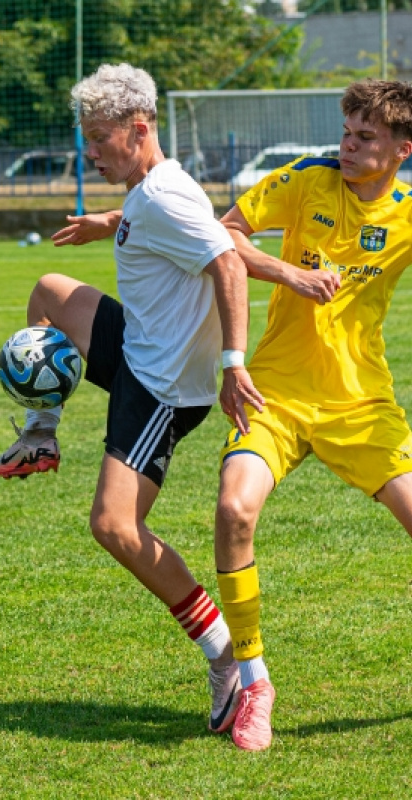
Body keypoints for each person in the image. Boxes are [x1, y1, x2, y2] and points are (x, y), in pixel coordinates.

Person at [0, 63, 264, 734]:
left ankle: (226, 656)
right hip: (139, 344)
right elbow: (163, 223)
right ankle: (41, 434)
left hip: (161, 387)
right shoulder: (149, 190)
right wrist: (106, 223)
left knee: (113, 526)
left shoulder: (166, 196)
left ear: (139, 130)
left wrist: (233, 363)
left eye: (100, 140)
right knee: (51, 289)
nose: (91, 153)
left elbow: (227, 260)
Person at [211, 78, 412, 751]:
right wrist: (290, 275)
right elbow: (223, 236)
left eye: (365, 139)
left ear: (401, 151)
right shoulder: (306, 179)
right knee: (235, 509)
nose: (347, 146)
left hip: (360, 402)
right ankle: (254, 681)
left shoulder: (409, 209)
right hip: (276, 391)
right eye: (347, 132)